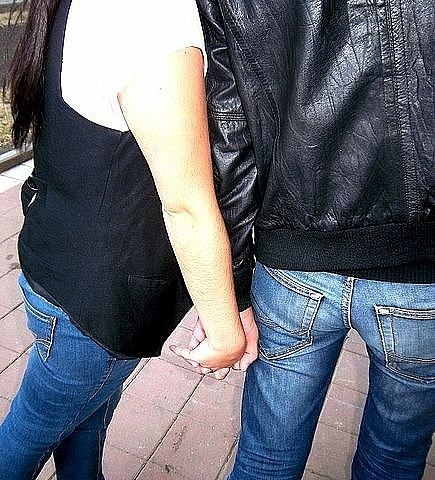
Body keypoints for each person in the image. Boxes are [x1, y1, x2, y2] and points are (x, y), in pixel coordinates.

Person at [0, 0, 250, 478]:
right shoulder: (151, 16)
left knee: (81, 423)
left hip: (61, 268)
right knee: (27, 437)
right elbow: (187, 205)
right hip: (92, 304)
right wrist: (225, 327)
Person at [193, 1, 435, 479]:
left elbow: (230, 133)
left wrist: (232, 292)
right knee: (395, 461)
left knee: (266, 458)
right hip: (422, 274)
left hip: (293, 268)